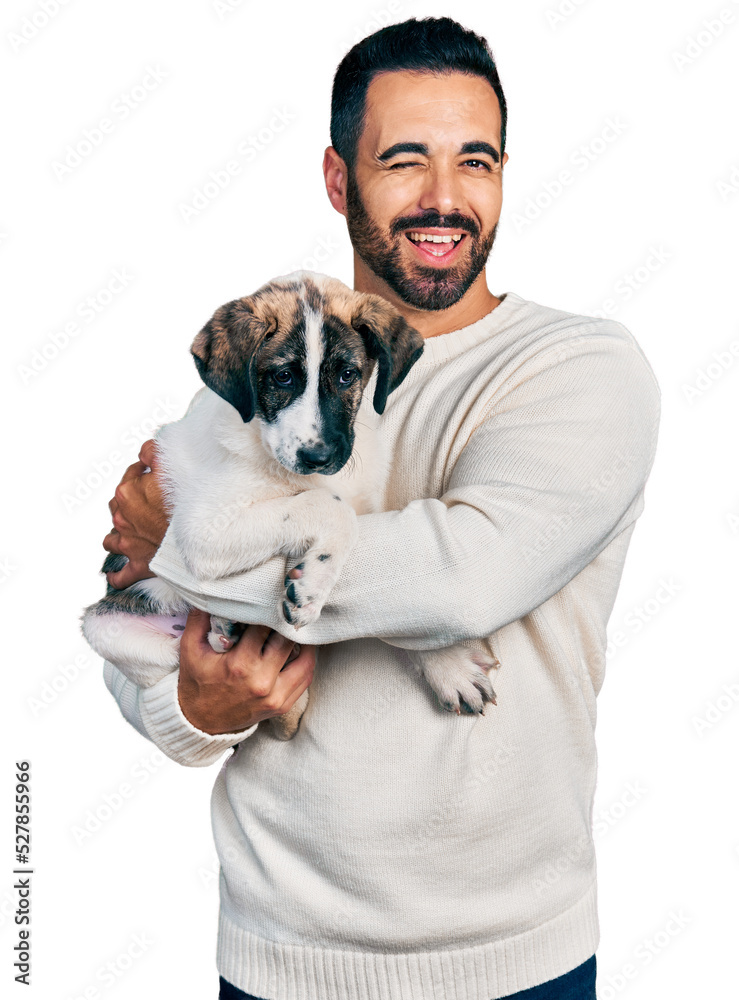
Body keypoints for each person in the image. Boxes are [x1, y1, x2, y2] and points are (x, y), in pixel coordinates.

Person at [101, 17, 661, 1000]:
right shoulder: (258, 366)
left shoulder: (580, 369)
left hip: (514, 960)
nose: (444, 197)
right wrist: (191, 704)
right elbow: (132, 615)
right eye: (404, 161)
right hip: (280, 958)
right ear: (336, 179)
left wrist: (178, 540)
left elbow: (456, 577)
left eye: (474, 162)